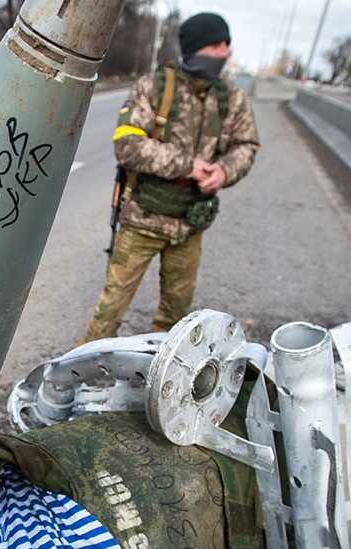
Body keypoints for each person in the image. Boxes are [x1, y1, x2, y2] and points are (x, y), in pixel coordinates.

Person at [79, 12, 261, 344]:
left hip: (190, 224)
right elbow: (127, 144)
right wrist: (188, 166)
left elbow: (246, 145)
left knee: (175, 321)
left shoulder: (231, 97)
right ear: (195, 47)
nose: (224, 53)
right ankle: (85, 367)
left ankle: (160, 369)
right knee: (108, 315)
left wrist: (224, 171)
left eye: (226, 46)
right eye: (216, 45)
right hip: (143, 219)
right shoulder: (154, 87)